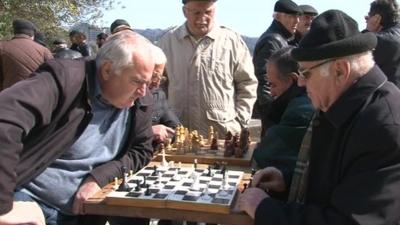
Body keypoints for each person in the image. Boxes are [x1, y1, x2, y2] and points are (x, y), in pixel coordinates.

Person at [238, 10, 400, 225]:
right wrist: (289, 180)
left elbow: (348, 220)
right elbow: (339, 185)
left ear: (340, 71)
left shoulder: (385, 127)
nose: (301, 83)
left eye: (306, 73)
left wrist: (264, 209)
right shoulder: (344, 105)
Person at [0, 31, 155, 225]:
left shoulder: (140, 102)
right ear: (107, 70)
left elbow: (141, 151)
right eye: (137, 81)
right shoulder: (64, 78)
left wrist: (99, 177)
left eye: (147, 83)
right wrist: (3, 207)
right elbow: (5, 119)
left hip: (84, 212)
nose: (143, 92)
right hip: (28, 201)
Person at [158, 0, 257, 136]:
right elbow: (157, 86)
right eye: (196, 13)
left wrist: (240, 120)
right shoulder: (167, 42)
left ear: (215, 10)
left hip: (222, 133)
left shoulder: (231, 41)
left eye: (208, 12)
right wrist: (162, 119)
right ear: (185, 12)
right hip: (177, 133)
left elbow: (247, 83)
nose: (202, 18)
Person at [252, 47, 314, 192]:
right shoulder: (299, 102)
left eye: (273, 85)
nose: (271, 92)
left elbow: (265, 153)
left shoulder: (300, 109)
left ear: (293, 79)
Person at [252, 0, 301, 137]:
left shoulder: (281, 38)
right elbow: (263, 78)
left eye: (298, 16)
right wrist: (271, 110)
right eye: (291, 16)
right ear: (277, 17)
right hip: (272, 108)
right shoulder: (272, 40)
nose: (296, 21)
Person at [0, 19, 53, 91]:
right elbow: (51, 74)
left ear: (15, 32)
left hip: (8, 95)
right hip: (35, 94)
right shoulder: (44, 50)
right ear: (32, 34)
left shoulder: (2, 46)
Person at [364, 0, 400, 88]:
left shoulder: (379, 41)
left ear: (377, 18)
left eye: (368, 16)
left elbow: (351, 50)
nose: (366, 19)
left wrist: (367, 31)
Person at [150, 45, 180, 146]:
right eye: (154, 76)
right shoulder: (123, 97)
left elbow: (174, 125)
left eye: (160, 77)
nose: (157, 83)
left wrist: (177, 134)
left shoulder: (158, 94)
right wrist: (148, 133)